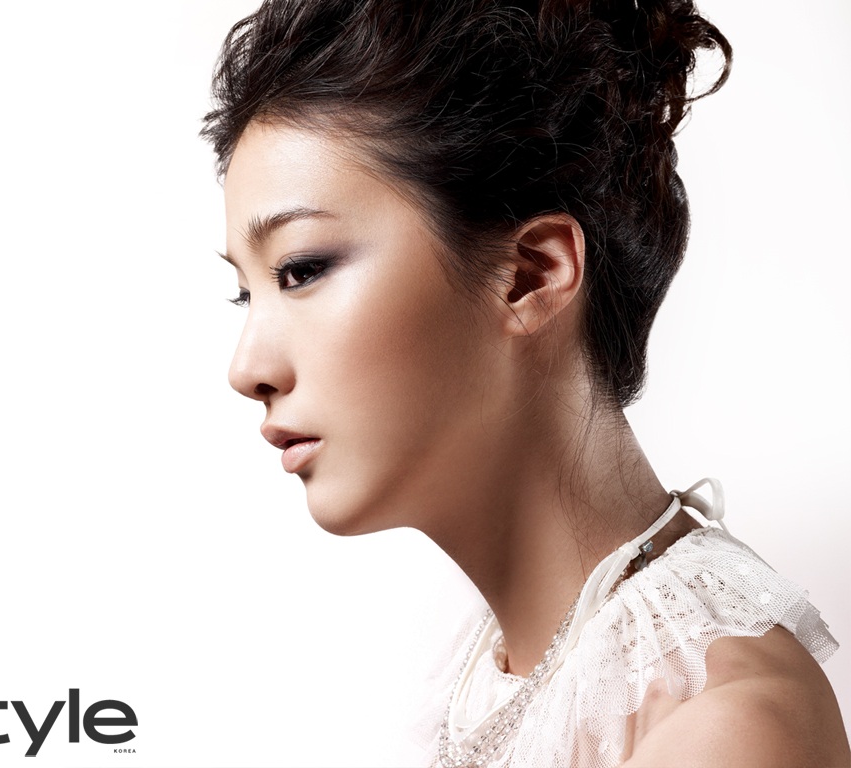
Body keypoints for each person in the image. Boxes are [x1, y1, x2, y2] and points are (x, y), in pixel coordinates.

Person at [202, 1, 850, 765]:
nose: (247, 370)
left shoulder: (719, 727)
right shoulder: (493, 677)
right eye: (246, 294)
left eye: (301, 269)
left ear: (531, 275)